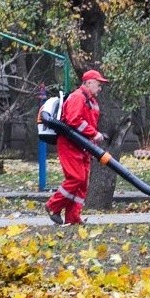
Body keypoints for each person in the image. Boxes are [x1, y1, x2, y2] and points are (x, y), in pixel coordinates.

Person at [45, 69, 109, 225]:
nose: (100, 88)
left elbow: (87, 124)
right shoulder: (78, 97)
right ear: (88, 82)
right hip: (70, 144)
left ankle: (73, 218)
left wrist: (92, 142)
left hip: (83, 146)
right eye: (98, 84)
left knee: (82, 183)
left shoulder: (91, 101)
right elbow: (74, 121)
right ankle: (53, 206)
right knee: (76, 178)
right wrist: (94, 134)